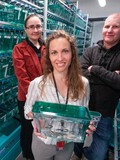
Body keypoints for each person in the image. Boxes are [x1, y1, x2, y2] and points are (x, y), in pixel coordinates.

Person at [24, 30, 95, 160]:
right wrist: (37, 118)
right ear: (49, 57)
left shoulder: (83, 84)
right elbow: (27, 111)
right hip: (43, 143)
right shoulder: (37, 84)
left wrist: (86, 125)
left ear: (72, 54)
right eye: (54, 52)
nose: (60, 58)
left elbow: (84, 112)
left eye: (65, 51)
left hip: (67, 144)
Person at [74, 13, 120, 160]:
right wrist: (111, 77)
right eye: (107, 26)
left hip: (105, 112)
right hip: (83, 107)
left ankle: (89, 153)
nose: (110, 30)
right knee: (77, 139)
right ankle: (78, 154)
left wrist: (96, 70)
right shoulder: (90, 51)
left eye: (115, 27)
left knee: (99, 154)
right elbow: (79, 74)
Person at [12, 14, 45, 160]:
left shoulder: (46, 47)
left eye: (38, 26)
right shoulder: (19, 49)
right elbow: (22, 77)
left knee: (42, 127)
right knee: (27, 128)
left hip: (46, 96)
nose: (35, 29)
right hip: (26, 98)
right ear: (25, 29)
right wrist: (36, 95)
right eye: (31, 27)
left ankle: (40, 153)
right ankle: (28, 155)